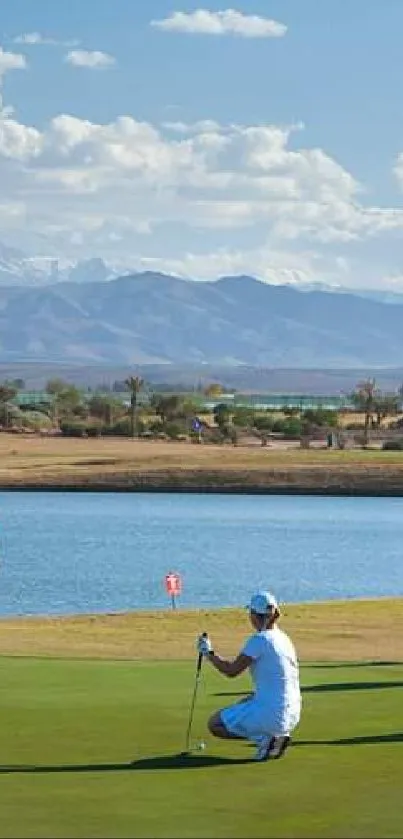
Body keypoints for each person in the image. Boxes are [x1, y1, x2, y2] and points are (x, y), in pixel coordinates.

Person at [197, 590, 301, 761]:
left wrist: (208, 653)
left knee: (215, 724)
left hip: (273, 715)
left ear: (254, 615)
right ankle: (273, 738)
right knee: (246, 700)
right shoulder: (284, 638)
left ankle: (266, 739)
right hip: (293, 713)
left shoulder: (260, 640)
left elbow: (231, 671)